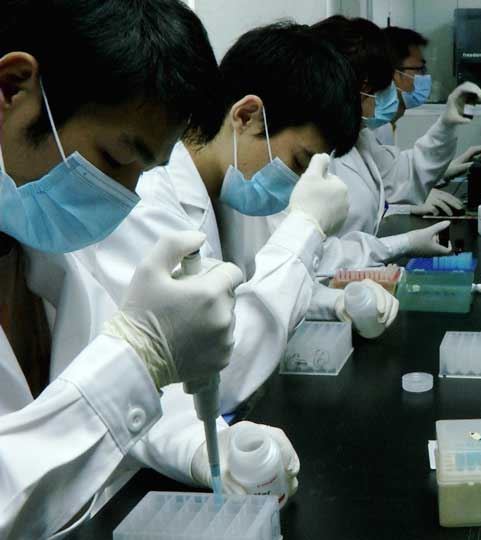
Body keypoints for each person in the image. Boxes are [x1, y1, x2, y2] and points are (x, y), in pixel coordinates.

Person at [26, 22, 395, 484]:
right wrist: (306, 229)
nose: (298, 185)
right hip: (123, 472)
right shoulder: (145, 199)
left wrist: (336, 301)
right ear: (247, 116)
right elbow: (214, 362)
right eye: (299, 162)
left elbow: (249, 294)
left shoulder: (233, 188)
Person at [0, 1, 247, 537]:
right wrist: (140, 354)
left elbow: (96, 399)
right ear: (12, 87)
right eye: (115, 158)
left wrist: (209, 447)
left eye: (145, 171)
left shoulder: (32, 232)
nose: (124, 197)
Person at [311, 16, 481, 237]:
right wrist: (402, 241)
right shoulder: (315, 151)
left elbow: (403, 176)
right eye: (379, 86)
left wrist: (446, 125)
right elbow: (327, 247)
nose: (386, 91)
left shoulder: (359, 138)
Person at [381, 26, 481, 217]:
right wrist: (405, 208)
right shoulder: (370, 127)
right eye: (419, 69)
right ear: (395, 75)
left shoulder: (385, 124)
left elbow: (393, 178)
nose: (425, 77)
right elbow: (364, 200)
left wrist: (443, 172)